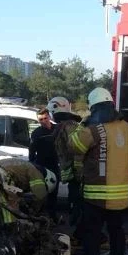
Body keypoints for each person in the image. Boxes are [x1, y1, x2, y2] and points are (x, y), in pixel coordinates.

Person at [68, 88, 128, 255]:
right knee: (117, 235)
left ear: (93, 107)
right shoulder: (127, 128)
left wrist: (82, 125)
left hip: (96, 196)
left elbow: (74, 146)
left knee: (92, 236)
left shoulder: (94, 130)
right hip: (121, 196)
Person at [47, 97, 83, 226]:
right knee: (73, 202)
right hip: (73, 175)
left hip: (76, 176)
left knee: (77, 204)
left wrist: (78, 175)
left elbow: (78, 151)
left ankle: (78, 232)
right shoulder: (65, 126)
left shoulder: (70, 127)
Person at [29, 108, 59, 218]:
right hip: (42, 167)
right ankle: (39, 217)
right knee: (41, 193)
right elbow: (31, 151)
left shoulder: (57, 129)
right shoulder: (36, 133)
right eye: (40, 119)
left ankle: (53, 217)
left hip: (55, 166)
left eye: (45, 118)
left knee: (54, 193)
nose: (43, 121)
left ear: (49, 117)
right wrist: (32, 165)